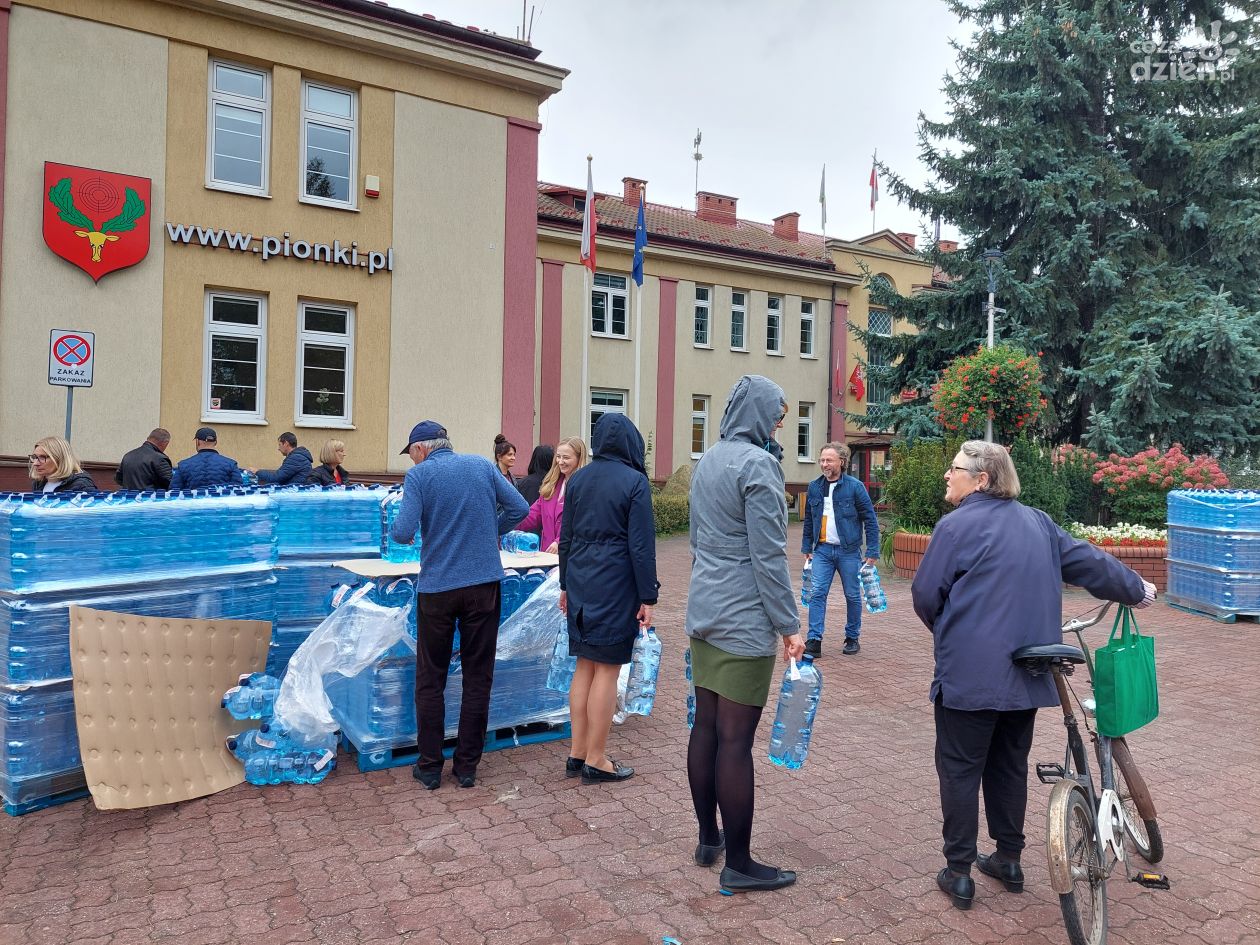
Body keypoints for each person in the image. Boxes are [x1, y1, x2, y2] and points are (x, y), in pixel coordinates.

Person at [911, 440, 1157, 911]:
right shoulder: (1038, 523)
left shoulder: (956, 526)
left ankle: (959, 872)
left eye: (955, 468)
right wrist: (1136, 589)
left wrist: (949, 631)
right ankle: (1009, 858)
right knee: (1008, 765)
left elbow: (925, 594)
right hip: (1027, 672)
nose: (948, 474)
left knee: (961, 769)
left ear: (981, 479)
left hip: (969, 676)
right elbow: (1088, 561)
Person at [686, 374, 804, 893]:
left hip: (704, 612)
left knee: (706, 729)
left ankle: (708, 838)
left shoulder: (708, 459)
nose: (779, 423)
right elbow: (769, 557)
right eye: (777, 415)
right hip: (743, 619)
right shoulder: (759, 466)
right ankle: (739, 862)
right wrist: (789, 624)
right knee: (735, 742)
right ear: (758, 412)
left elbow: (695, 540)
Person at [391, 420, 529, 790]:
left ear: (420, 449)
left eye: (412, 455)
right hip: (484, 585)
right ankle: (467, 766)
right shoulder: (482, 465)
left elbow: (402, 532)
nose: (412, 462)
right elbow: (518, 506)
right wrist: (489, 531)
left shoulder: (419, 477)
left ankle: (430, 766)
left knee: (431, 677)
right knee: (477, 676)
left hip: (438, 588)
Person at [557, 414, 657, 786]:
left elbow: (565, 537)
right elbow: (641, 547)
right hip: (616, 585)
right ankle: (597, 759)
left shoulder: (579, 478)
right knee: (607, 669)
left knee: (584, 665)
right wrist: (648, 595)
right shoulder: (634, 482)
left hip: (580, 582)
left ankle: (578, 751)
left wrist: (565, 584)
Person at [801, 442, 880, 657]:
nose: (824, 464)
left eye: (829, 460)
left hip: (849, 551)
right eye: (822, 460)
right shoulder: (814, 487)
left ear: (841, 462)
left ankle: (852, 638)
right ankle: (814, 640)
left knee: (852, 595)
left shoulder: (855, 487)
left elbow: (870, 520)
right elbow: (809, 519)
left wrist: (872, 551)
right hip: (823, 551)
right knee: (817, 593)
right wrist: (807, 546)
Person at [517, 437, 586, 554]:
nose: (560, 461)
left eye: (566, 457)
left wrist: (560, 541)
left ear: (579, 459)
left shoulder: (586, 488)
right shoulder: (551, 486)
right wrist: (506, 523)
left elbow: (584, 523)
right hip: (547, 555)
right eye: (558, 457)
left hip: (572, 556)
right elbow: (532, 516)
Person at [169, 428, 244, 489]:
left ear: (197, 442)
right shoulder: (231, 464)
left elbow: (174, 492)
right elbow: (238, 490)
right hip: (220, 506)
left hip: (194, 506)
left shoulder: (184, 465)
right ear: (215, 442)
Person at [29, 436, 96, 493]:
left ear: (60, 459)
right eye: (35, 457)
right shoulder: (38, 483)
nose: (35, 463)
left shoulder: (81, 485)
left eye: (42, 457)